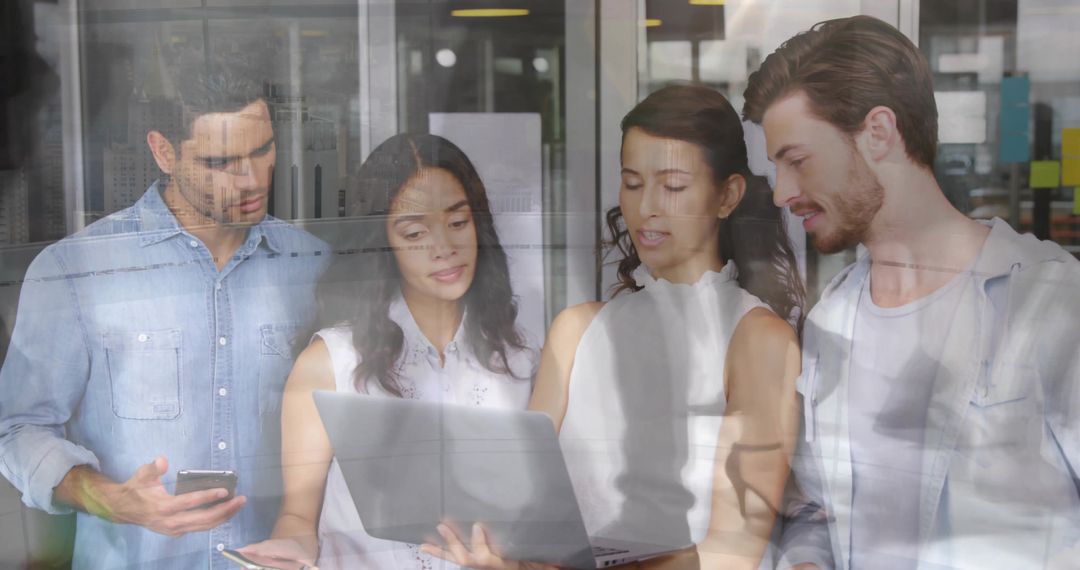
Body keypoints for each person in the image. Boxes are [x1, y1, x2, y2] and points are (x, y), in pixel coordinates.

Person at [742, 15, 1080, 570]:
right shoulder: (832, 323)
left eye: (797, 162)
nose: (782, 193)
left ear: (878, 132)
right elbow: (813, 512)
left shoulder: (1047, 299)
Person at [426, 84, 804, 570]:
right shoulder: (576, 329)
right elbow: (530, 510)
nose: (646, 207)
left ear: (727, 194)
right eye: (631, 182)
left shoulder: (758, 339)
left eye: (672, 186)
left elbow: (732, 552)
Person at [0, 50, 330, 568]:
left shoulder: (311, 264)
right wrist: (107, 498)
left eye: (263, 150)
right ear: (163, 151)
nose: (250, 179)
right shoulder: (78, 271)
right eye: (220, 162)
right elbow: (16, 427)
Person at [237, 133, 539, 569]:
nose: (444, 248)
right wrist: (291, 549)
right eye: (416, 232)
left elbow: (542, 532)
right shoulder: (331, 361)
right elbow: (298, 516)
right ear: (383, 243)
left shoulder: (521, 360)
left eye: (458, 223)